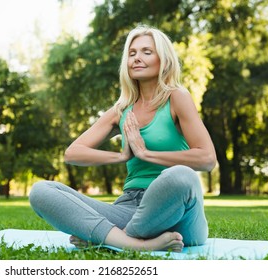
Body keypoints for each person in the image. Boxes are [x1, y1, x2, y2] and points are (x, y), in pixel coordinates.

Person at [29, 25, 216, 252]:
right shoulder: (122, 109)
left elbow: (207, 159)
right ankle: (132, 244)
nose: (137, 58)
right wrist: (121, 156)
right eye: (132, 53)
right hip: (129, 209)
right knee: (41, 191)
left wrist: (146, 154)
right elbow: (73, 153)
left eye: (147, 52)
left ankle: (107, 238)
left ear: (164, 60)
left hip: (178, 212)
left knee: (181, 175)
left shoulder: (177, 97)